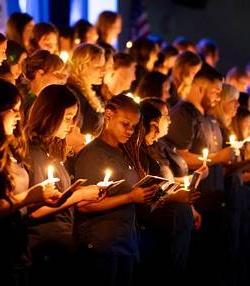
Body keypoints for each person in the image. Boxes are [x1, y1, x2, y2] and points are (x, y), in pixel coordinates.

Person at [73, 94, 158, 286]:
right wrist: (130, 197)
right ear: (109, 115)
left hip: (125, 242)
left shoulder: (123, 152)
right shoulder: (93, 154)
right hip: (102, 245)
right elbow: (84, 205)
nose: (130, 131)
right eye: (125, 124)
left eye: (134, 127)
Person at [25, 84, 101, 286]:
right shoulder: (33, 155)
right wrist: (80, 195)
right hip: (43, 249)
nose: (70, 125)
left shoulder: (51, 153)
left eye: (73, 119)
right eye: (67, 118)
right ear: (50, 115)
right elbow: (33, 209)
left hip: (60, 245)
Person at [0, 79, 61, 285]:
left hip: (18, 250)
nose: (19, 115)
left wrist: (40, 198)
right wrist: (29, 196)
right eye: (13, 109)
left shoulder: (9, 149)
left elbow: (17, 203)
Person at [22, 50, 67, 114]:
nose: (61, 78)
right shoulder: (32, 104)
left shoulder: (47, 101)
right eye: (56, 73)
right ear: (40, 73)